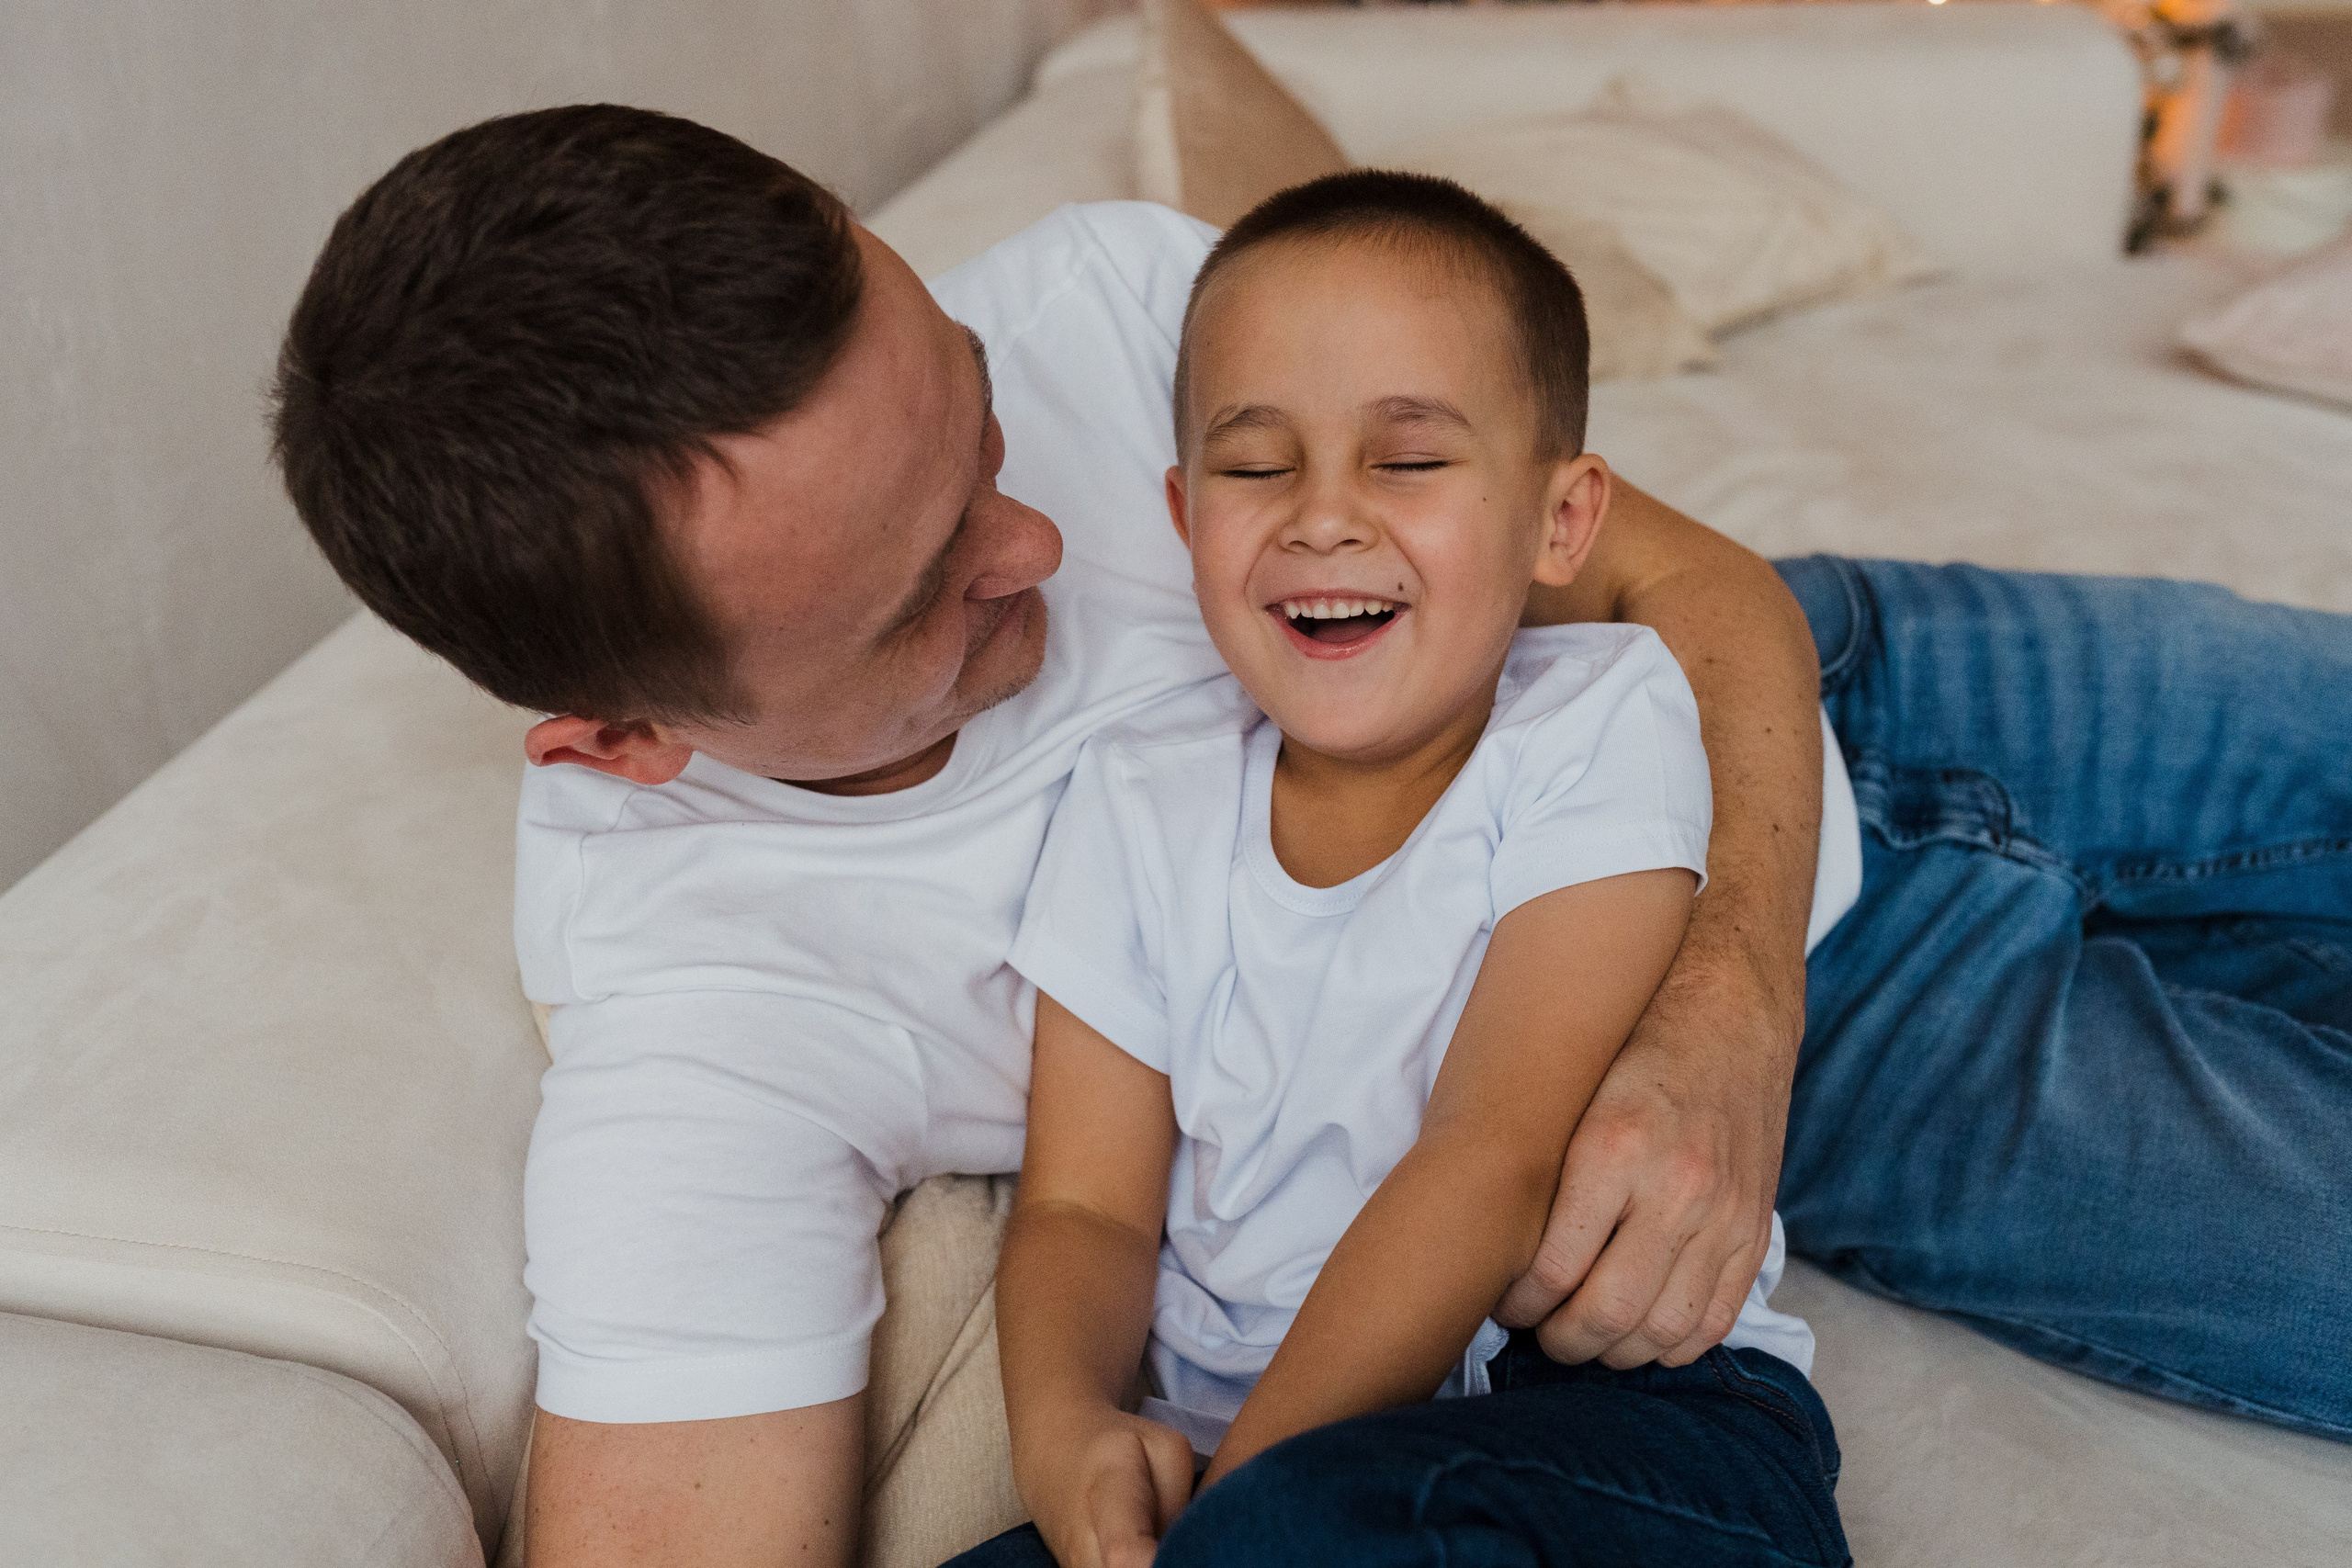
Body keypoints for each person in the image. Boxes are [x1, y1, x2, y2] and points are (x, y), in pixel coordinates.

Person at [267, 105, 2350, 1566]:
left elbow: (1667, 577)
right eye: (926, 599)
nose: (1043, 542)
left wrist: (1727, 1006)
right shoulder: (697, 1026)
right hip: (1868, 1034)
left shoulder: (1104, 293)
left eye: (980, 420)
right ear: (626, 739)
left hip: (1809, 693)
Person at [956, 170, 1848, 1568]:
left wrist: (1239, 1514)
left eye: (1410, 462)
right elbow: (1084, 1204)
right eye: (1258, 469)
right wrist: (1065, 1426)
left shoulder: (1603, 721)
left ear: (1563, 523)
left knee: (1313, 1525)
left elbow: (1489, 1161)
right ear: (1185, 518)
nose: (1323, 518)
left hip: (1612, 1399)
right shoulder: (1135, 792)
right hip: (1234, 1451)